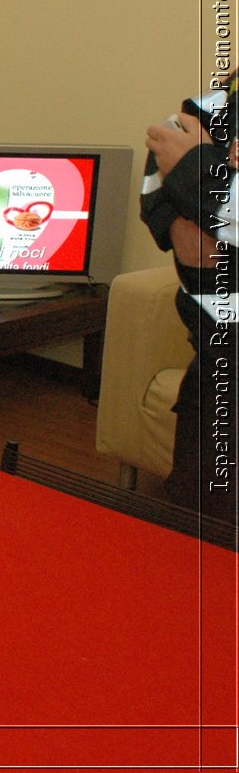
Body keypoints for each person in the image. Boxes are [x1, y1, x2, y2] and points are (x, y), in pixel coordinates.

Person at [142, 78, 236, 519]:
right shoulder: (221, 98)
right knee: (193, 533)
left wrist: (195, 167)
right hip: (214, 365)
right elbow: (166, 141)